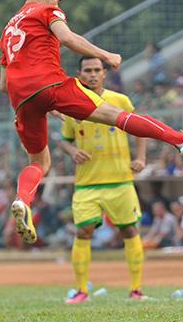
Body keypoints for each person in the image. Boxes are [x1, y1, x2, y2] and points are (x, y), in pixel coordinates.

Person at [0, 0, 183, 245]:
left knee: (39, 162)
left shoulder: (7, 30)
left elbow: (4, 84)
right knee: (116, 114)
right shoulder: (46, 10)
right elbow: (67, 38)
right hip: (50, 84)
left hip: (22, 98)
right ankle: (180, 140)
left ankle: (23, 201)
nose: (59, 3)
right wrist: (105, 55)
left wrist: (40, 102)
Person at [57, 56, 149, 303]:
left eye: (97, 70)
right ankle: (81, 291)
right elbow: (64, 140)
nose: (93, 74)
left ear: (104, 74)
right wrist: (72, 151)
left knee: (130, 230)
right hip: (87, 183)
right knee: (83, 231)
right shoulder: (70, 105)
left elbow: (139, 127)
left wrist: (140, 158)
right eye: (88, 70)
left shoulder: (119, 101)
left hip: (120, 180)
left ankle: (136, 289)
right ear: (80, 74)